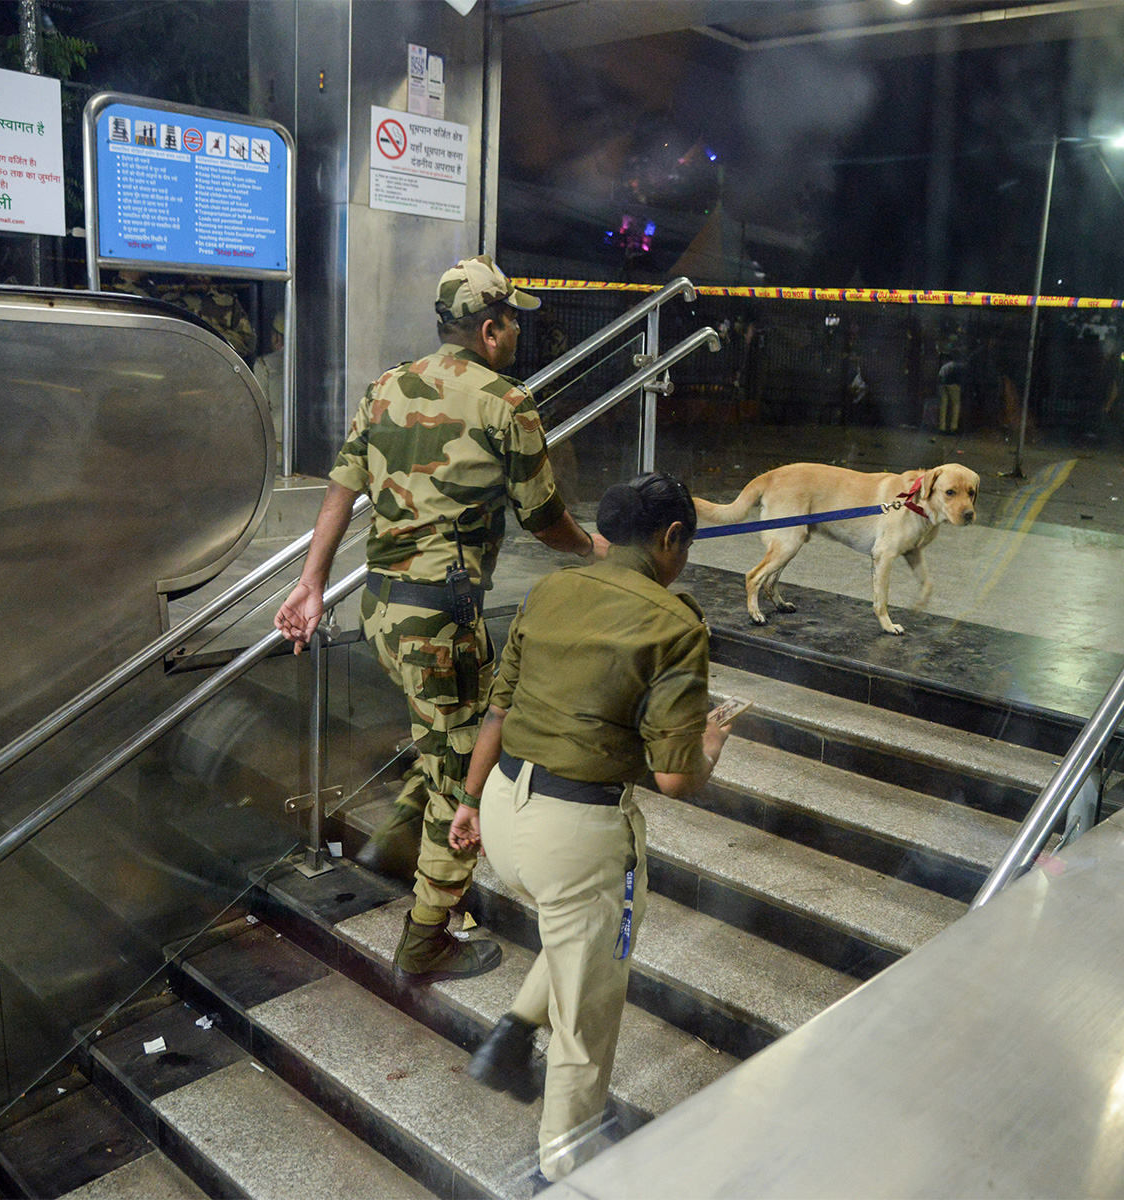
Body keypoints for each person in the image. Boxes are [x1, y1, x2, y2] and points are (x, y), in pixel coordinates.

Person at [274, 254, 603, 986]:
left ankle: (396, 844)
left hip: (384, 611)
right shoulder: (506, 402)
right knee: (465, 772)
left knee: (444, 730)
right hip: (442, 626)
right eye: (513, 320)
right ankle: (426, 938)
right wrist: (592, 548)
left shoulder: (387, 387)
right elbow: (542, 515)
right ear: (490, 329)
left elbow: (342, 484)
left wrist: (310, 584)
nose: (517, 332)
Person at [451, 472, 733, 1183]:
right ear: (673, 539)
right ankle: (562, 1170)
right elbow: (674, 779)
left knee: (587, 928)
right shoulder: (675, 624)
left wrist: (467, 800)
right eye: (686, 546)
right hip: (576, 834)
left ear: (602, 534)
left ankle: (513, 1035)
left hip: (503, 814)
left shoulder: (550, 591)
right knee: (588, 1020)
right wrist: (708, 750)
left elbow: (499, 710)